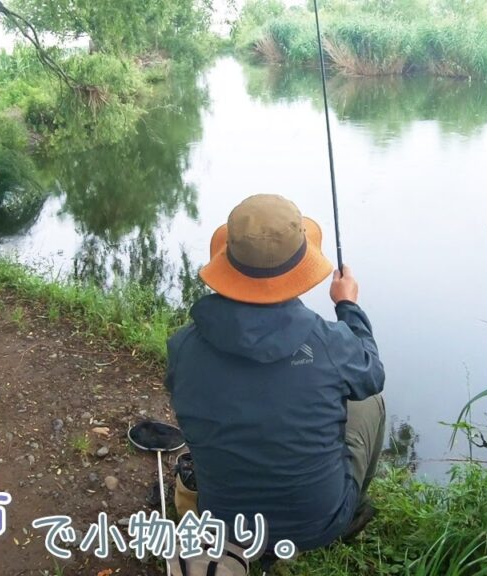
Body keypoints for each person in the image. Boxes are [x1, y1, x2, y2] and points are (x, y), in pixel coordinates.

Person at [165, 194, 386, 553]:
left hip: (223, 525)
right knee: (370, 398)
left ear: (229, 261)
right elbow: (371, 373)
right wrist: (348, 305)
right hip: (318, 526)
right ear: (299, 268)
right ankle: (351, 506)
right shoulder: (330, 344)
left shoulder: (183, 347)